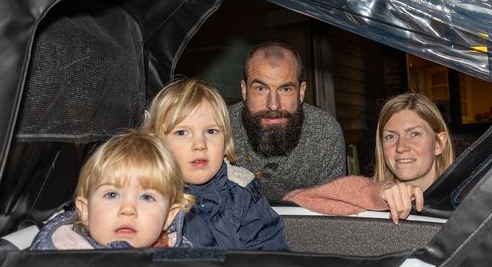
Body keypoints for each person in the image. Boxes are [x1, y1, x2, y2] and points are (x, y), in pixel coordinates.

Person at [143, 78, 288, 251]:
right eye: (182, 132)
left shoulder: (242, 191)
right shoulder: (147, 194)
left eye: (211, 131)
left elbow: (271, 256)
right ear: (156, 143)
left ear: (226, 140)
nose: (200, 144)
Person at [284, 93, 454, 224]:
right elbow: (294, 200)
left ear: (439, 143)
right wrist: (378, 195)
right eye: (390, 137)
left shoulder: (464, 201)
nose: (401, 147)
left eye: (414, 134)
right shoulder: (373, 198)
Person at [30, 130, 193, 250]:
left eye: (147, 197)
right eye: (112, 194)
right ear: (85, 210)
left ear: (169, 217)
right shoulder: (59, 256)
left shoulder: (180, 260)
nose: (128, 209)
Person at [229, 41, 346, 201]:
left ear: (301, 92)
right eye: (260, 88)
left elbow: (333, 216)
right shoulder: (219, 128)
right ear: (244, 90)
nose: (273, 105)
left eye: (285, 89)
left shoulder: (326, 133)